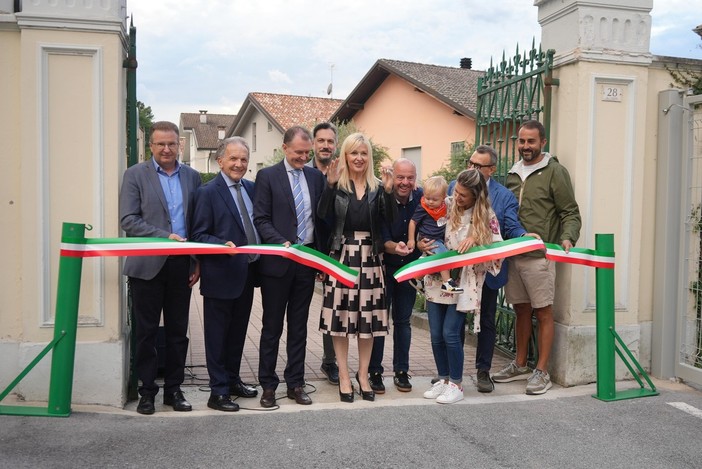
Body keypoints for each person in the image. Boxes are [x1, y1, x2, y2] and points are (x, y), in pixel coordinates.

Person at [492, 120, 581, 395]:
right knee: (521, 309)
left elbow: (570, 211)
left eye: (531, 141)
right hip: (513, 255)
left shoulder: (555, 171)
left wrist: (569, 236)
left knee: (543, 312)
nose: (525, 147)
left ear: (543, 142)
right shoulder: (512, 173)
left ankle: (542, 371)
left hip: (539, 256)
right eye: (521, 141)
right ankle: (520, 364)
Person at [119, 121, 201, 415]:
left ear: (180, 145)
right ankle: (147, 392)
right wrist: (162, 236)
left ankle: (174, 391)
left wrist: (196, 260)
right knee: (146, 332)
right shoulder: (134, 175)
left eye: (172, 144)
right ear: (150, 146)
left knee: (179, 331)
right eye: (160, 144)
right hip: (148, 266)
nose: (167, 149)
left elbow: (197, 224)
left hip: (181, 265)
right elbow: (128, 220)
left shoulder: (192, 177)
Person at [318, 133, 396, 402]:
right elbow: (322, 217)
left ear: (369, 157)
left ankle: (363, 376)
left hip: (372, 258)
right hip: (342, 256)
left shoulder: (378, 187)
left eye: (363, 153)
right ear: (346, 156)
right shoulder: (336, 185)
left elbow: (391, 222)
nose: (359, 158)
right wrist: (328, 187)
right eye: (354, 153)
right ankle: (343, 375)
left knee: (368, 322)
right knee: (340, 320)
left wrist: (388, 192)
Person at [447, 145, 531, 393]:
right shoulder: (455, 187)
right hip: (459, 271)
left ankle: (483, 371)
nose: (470, 168)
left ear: (491, 169)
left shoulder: (504, 196)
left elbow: (510, 227)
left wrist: (524, 236)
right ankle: (453, 373)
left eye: (477, 166)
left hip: (487, 273)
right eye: (469, 163)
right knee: (456, 321)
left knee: (485, 322)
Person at [253, 126, 325, 408]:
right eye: (298, 152)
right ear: (285, 148)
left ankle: (296, 383)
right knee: (271, 327)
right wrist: (280, 242)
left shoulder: (316, 177)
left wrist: (319, 256)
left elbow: (320, 219)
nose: (303, 158)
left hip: (305, 264)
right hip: (277, 264)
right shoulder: (267, 176)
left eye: (307, 153)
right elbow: (260, 218)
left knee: (298, 328)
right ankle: (268, 386)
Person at [422, 169, 503, 404]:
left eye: (463, 196)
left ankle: (456, 384)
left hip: (463, 283)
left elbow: (497, 250)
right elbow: (426, 224)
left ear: (476, 196)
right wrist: (420, 243)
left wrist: (478, 239)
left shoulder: (487, 215)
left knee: (450, 333)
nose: (457, 198)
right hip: (438, 278)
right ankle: (444, 379)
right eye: (456, 192)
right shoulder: (446, 205)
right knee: (436, 333)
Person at [190, 137, 259, 412]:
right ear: (220, 161)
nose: (239, 164)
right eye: (233, 159)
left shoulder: (252, 189)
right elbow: (197, 235)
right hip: (220, 276)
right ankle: (217, 392)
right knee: (217, 337)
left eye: (243, 159)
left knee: (238, 334)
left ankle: (232, 381)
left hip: (247, 274)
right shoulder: (206, 193)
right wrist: (221, 247)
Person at [368, 158, 422, 393]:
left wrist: (423, 243)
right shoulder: (382, 196)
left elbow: (429, 227)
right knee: (379, 322)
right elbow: (380, 235)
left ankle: (401, 371)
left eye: (410, 177)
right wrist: (393, 246)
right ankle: (375, 372)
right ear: (394, 176)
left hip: (408, 270)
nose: (405, 182)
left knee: (403, 322)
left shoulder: (421, 199)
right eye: (400, 177)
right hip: (384, 267)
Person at [307, 122, 339, 385]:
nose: (325, 145)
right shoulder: (303, 172)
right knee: (298, 311)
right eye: (321, 141)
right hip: (308, 250)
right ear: (313, 144)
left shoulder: (344, 172)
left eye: (330, 141)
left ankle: (330, 361)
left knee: (334, 307)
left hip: (337, 250)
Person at [407, 176, 463, 293]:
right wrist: (411, 240)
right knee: (443, 256)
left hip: (438, 238)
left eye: (434, 199)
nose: (430, 202)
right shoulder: (423, 207)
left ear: (444, 198)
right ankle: (447, 282)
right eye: (427, 198)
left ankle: (417, 278)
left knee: (432, 259)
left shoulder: (445, 206)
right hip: (429, 238)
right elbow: (413, 222)